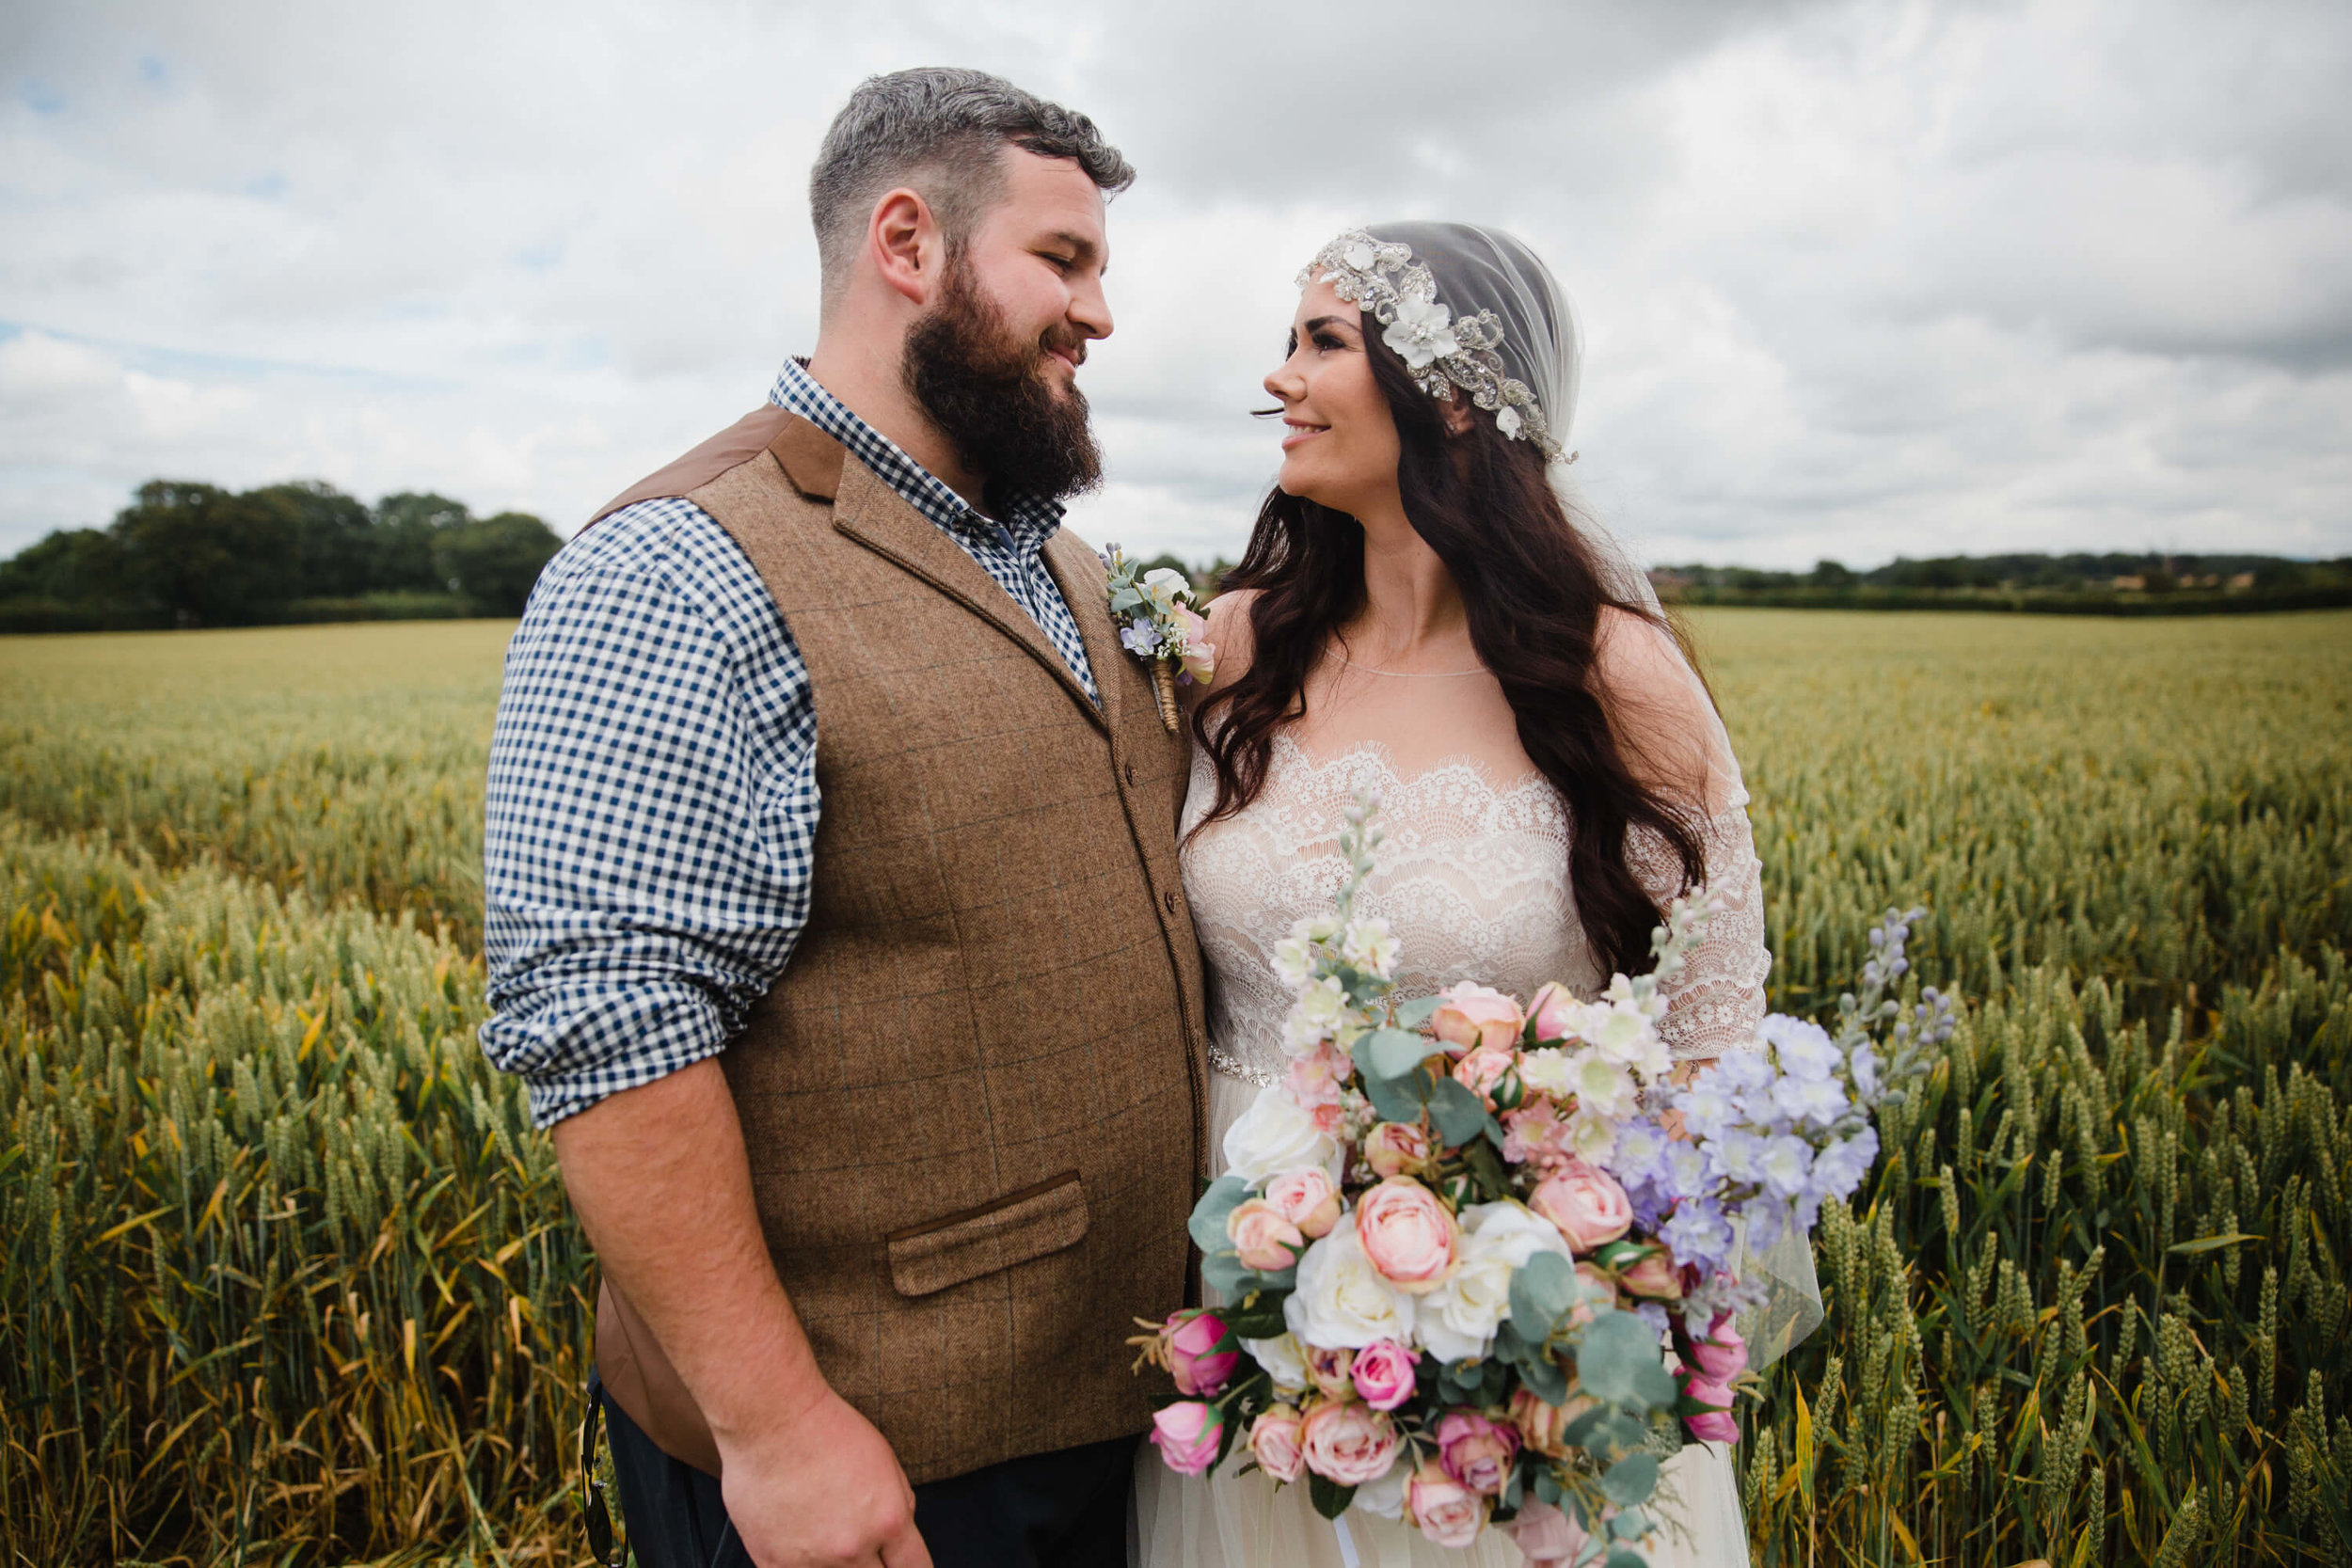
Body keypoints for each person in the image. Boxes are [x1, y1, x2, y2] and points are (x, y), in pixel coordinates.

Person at [479, 68, 1208, 1568]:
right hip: (879, 1457)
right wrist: (774, 1427)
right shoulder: (676, 567)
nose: (1102, 315)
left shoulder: (1062, 560)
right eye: (1063, 261)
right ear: (906, 244)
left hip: (1120, 1406)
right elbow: (608, 1017)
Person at [1129, 224, 1786, 1566]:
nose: (1280, 378)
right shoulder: (1236, 647)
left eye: (1321, 342)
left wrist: (1584, 1296)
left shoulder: (1613, 677)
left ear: (1448, 396)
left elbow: (1712, 1043)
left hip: (1494, 1332)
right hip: (1230, 1286)